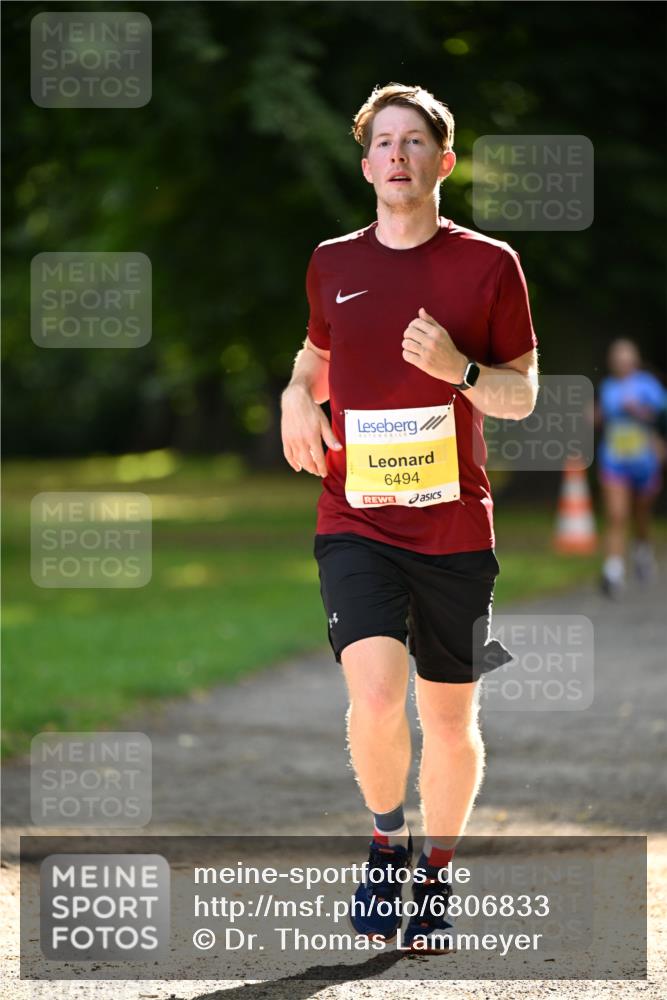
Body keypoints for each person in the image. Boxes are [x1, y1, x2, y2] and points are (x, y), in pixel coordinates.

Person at [280, 82, 539, 953]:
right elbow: (314, 355)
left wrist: (460, 368)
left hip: (455, 529)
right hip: (354, 516)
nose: (397, 154)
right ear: (366, 167)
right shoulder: (332, 263)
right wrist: (293, 396)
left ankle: (434, 870)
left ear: (443, 161)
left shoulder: (489, 265)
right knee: (376, 693)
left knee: (451, 721)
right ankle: (387, 840)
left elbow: (521, 394)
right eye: (383, 142)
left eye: (414, 141)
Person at [596, 338, 666, 597]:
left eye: (625, 358)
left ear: (634, 360)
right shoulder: (607, 387)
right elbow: (604, 419)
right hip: (614, 460)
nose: (621, 362)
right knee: (616, 515)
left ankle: (642, 550)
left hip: (644, 461)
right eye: (617, 358)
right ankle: (612, 572)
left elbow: (659, 417)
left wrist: (639, 412)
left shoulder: (648, 385)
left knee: (641, 515)